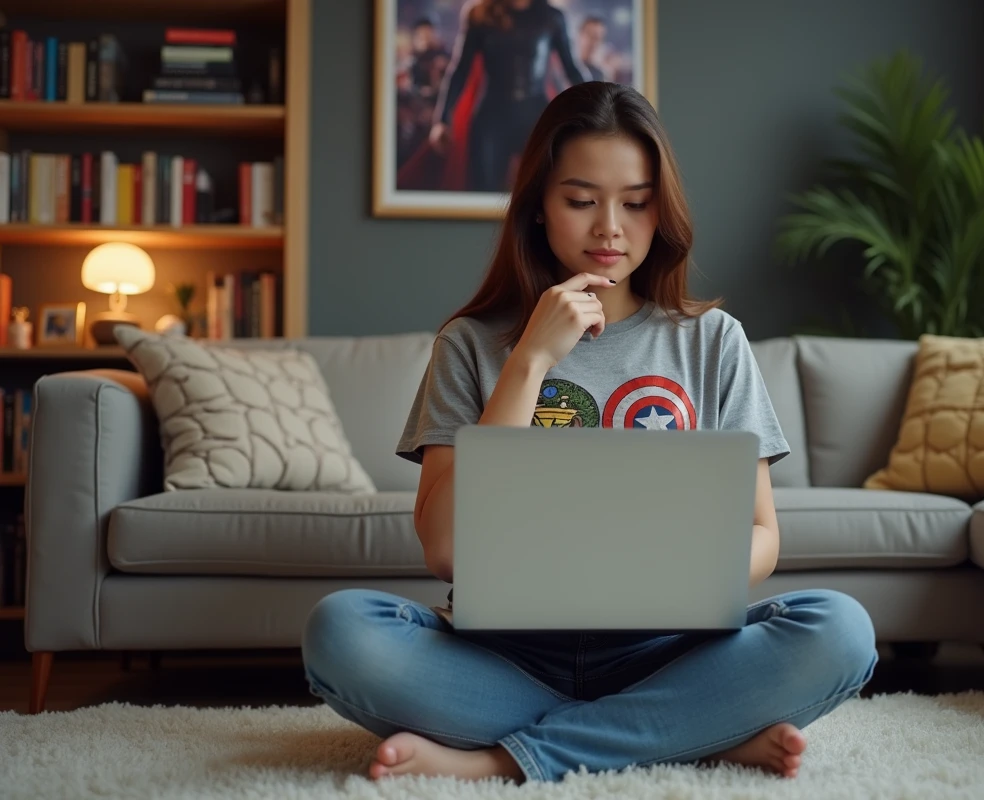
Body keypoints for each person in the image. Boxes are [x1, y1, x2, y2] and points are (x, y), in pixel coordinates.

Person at [301, 81, 878, 784]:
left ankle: (505, 761)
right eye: (581, 200)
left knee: (841, 630)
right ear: (539, 208)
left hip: (672, 651)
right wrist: (532, 360)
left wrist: (663, 574)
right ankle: (687, 730)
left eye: (635, 203)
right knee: (340, 632)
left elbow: (762, 537)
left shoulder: (713, 341)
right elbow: (448, 547)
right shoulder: (471, 344)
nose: (610, 227)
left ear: (660, 211)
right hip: (503, 658)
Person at [427, 0, 591, 192]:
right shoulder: (480, 15)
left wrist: (596, 114)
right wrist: (442, 120)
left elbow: (571, 69)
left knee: (544, 194)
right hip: (492, 117)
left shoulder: (552, 17)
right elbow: (460, 70)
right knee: (483, 194)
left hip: (536, 116)